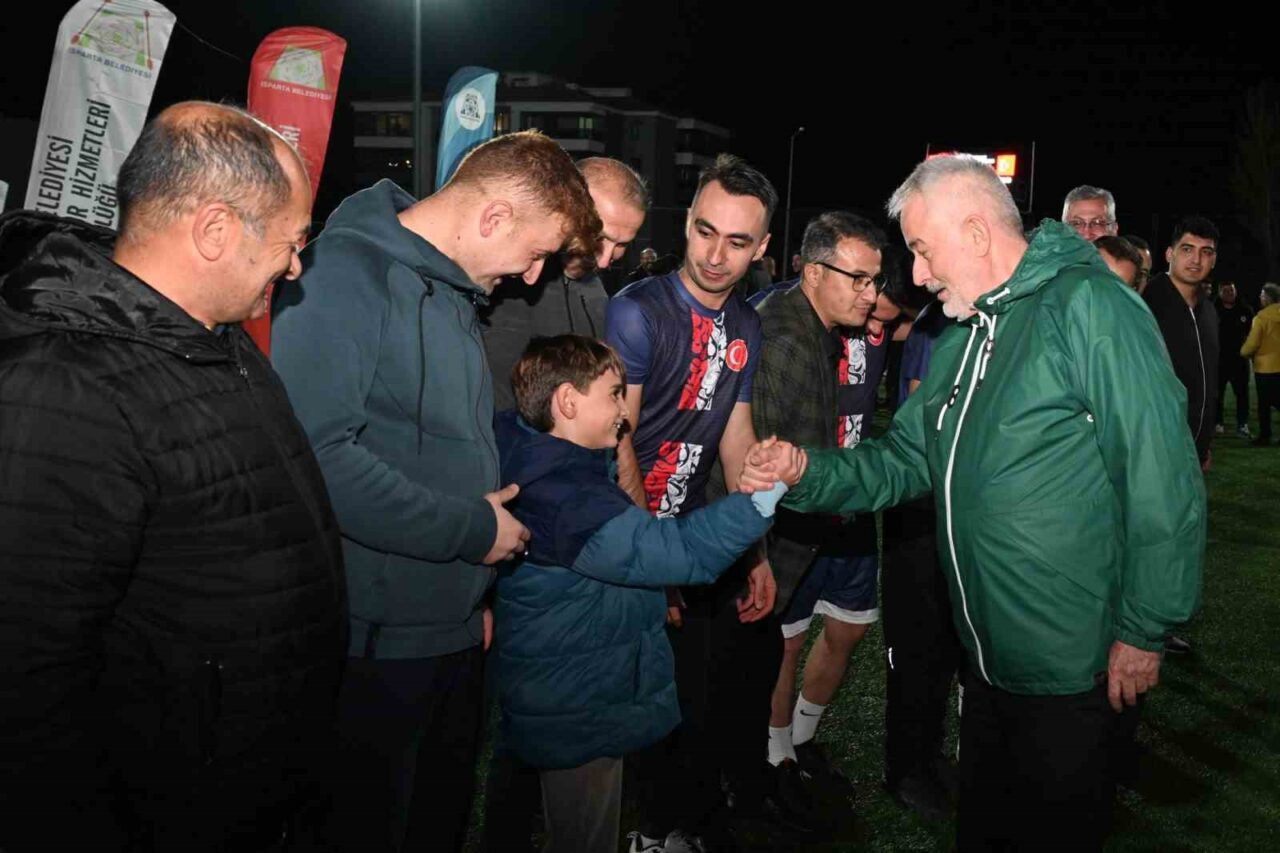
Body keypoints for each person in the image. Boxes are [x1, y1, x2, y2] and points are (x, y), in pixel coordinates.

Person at [752, 154, 1204, 852]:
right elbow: (908, 457)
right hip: (986, 663)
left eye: (922, 250)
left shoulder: (1091, 307)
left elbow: (1162, 476)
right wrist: (804, 469)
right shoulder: (969, 330)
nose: (918, 275)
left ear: (975, 233)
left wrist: (1145, 629)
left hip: (1069, 667)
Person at [0, 102, 346, 851]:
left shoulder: (213, 338)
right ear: (215, 230)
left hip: (251, 790)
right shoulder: (64, 386)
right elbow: (28, 672)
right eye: (291, 242)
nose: (296, 266)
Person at [271, 129, 600, 852]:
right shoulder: (344, 275)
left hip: (448, 628)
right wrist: (473, 533)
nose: (532, 276)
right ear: (494, 216)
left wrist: (472, 598)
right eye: (536, 252)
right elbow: (318, 459)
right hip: (372, 645)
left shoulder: (455, 292)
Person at [492, 334, 791, 853]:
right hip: (580, 705)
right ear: (568, 401)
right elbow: (680, 552)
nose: (624, 412)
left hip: (562, 689)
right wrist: (762, 497)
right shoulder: (571, 501)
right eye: (614, 394)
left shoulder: (539, 456)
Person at [608, 154, 780, 852]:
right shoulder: (637, 311)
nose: (715, 255)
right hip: (620, 539)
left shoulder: (746, 325)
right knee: (616, 712)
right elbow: (615, 443)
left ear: (762, 248)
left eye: (737, 241)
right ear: (687, 222)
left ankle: (674, 824)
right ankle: (638, 831)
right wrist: (656, 564)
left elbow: (737, 439)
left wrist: (754, 549)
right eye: (705, 231)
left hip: (688, 541)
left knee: (689, 700)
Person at [484, 157, 648, 410]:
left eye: (622, 244)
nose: (605, 260)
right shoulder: (505, 276)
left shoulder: (595, 290)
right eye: (599, 237)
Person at [1214, 281, 1254, 437]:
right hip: (1219, 360)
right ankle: (1218, 423)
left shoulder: (1245, 310)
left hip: (1239, 360)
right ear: (1220, 293)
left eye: (1231, 290)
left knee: (1242, 394)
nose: (1229, 293)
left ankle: (1242, 424)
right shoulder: (1213, 309)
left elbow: (1252, 334)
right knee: (1217, 393)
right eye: (1225, 291)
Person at [1242, 282, 1280, 446]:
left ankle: (1265, 435)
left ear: (1268, 298)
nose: (1260, 297)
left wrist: (1244, 352)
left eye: (1262, 295)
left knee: (1264, 404)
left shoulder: (1261, 318)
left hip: (1265, 367)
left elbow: (1252, 343)